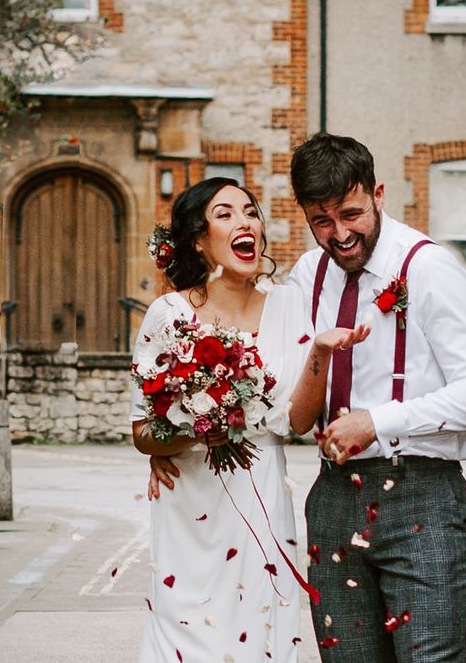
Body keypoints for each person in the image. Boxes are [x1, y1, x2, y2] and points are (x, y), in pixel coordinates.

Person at [286, 133, 466, 661]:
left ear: (378, 193)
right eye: (321, 220)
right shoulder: (306, 276)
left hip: (422, 495)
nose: (339, 234)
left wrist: (378, 421)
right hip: (334, 497)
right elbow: (294, 406)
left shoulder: (429, 268)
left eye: (351, 213)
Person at [131, 176, 368, 662]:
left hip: (261, 494)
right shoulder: (169, 314)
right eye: (225, 214)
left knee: (260, 636)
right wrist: (193, 432)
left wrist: (320, 353)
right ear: (199, 240)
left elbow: (296, 422)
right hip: (191, 505)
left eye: (251, 211)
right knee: (188, 636)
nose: (245, 222)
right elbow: (143, 432)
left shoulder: (290, 304)